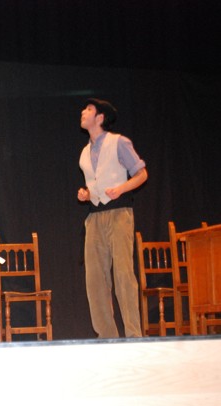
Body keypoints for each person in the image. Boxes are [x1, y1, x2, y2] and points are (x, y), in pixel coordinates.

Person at [77, 98, 148, 339]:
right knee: (95, 280)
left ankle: (134, 336)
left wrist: (122, 188)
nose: (83, 112)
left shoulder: (119, 143)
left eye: (88, 109)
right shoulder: (84, 153)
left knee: (123, 274)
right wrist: (86, 195)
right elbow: (95, 183)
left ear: (100, 118)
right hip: (95, 216)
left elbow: (141, 174)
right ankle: (107, 337)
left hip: (119, 214)